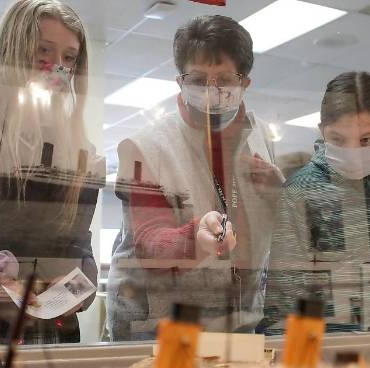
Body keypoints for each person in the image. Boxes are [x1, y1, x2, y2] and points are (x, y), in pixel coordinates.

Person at [106, 15, 284, 340]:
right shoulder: (145, 147)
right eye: (199, 80)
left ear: (245, 83)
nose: (211, 91)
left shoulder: (261, 138)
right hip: (158, 327)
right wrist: (194, 239)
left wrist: (280, 197)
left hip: (239, 322)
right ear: (180, 82)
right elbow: (148, 241)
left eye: (225, 80)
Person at [263, 71, 370, 335]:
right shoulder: (300, 190)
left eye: (366, 139)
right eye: (337, 139)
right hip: (329, 348)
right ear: (322, 132)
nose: (353, 151)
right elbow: (283, 297)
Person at [0, 0, 105, 344]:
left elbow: (82, 253)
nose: (57, 67)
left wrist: (75, 291)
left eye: (69, 58)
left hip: (52, 333)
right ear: (15, 48)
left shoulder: (78, 148)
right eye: (43, 51)